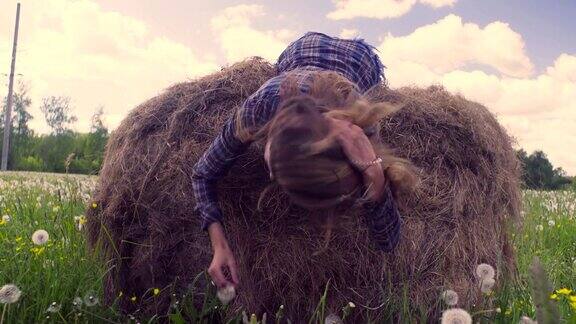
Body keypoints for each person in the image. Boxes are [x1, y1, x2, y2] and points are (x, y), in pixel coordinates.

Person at [192, 32, 416, 290]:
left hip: (360, 60)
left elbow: (389, 241)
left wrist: (373, 172)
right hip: (302, 48)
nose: (273, 177)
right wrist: (218, 244)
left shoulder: (359, 125)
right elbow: (202, 173)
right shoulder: (260, 107)